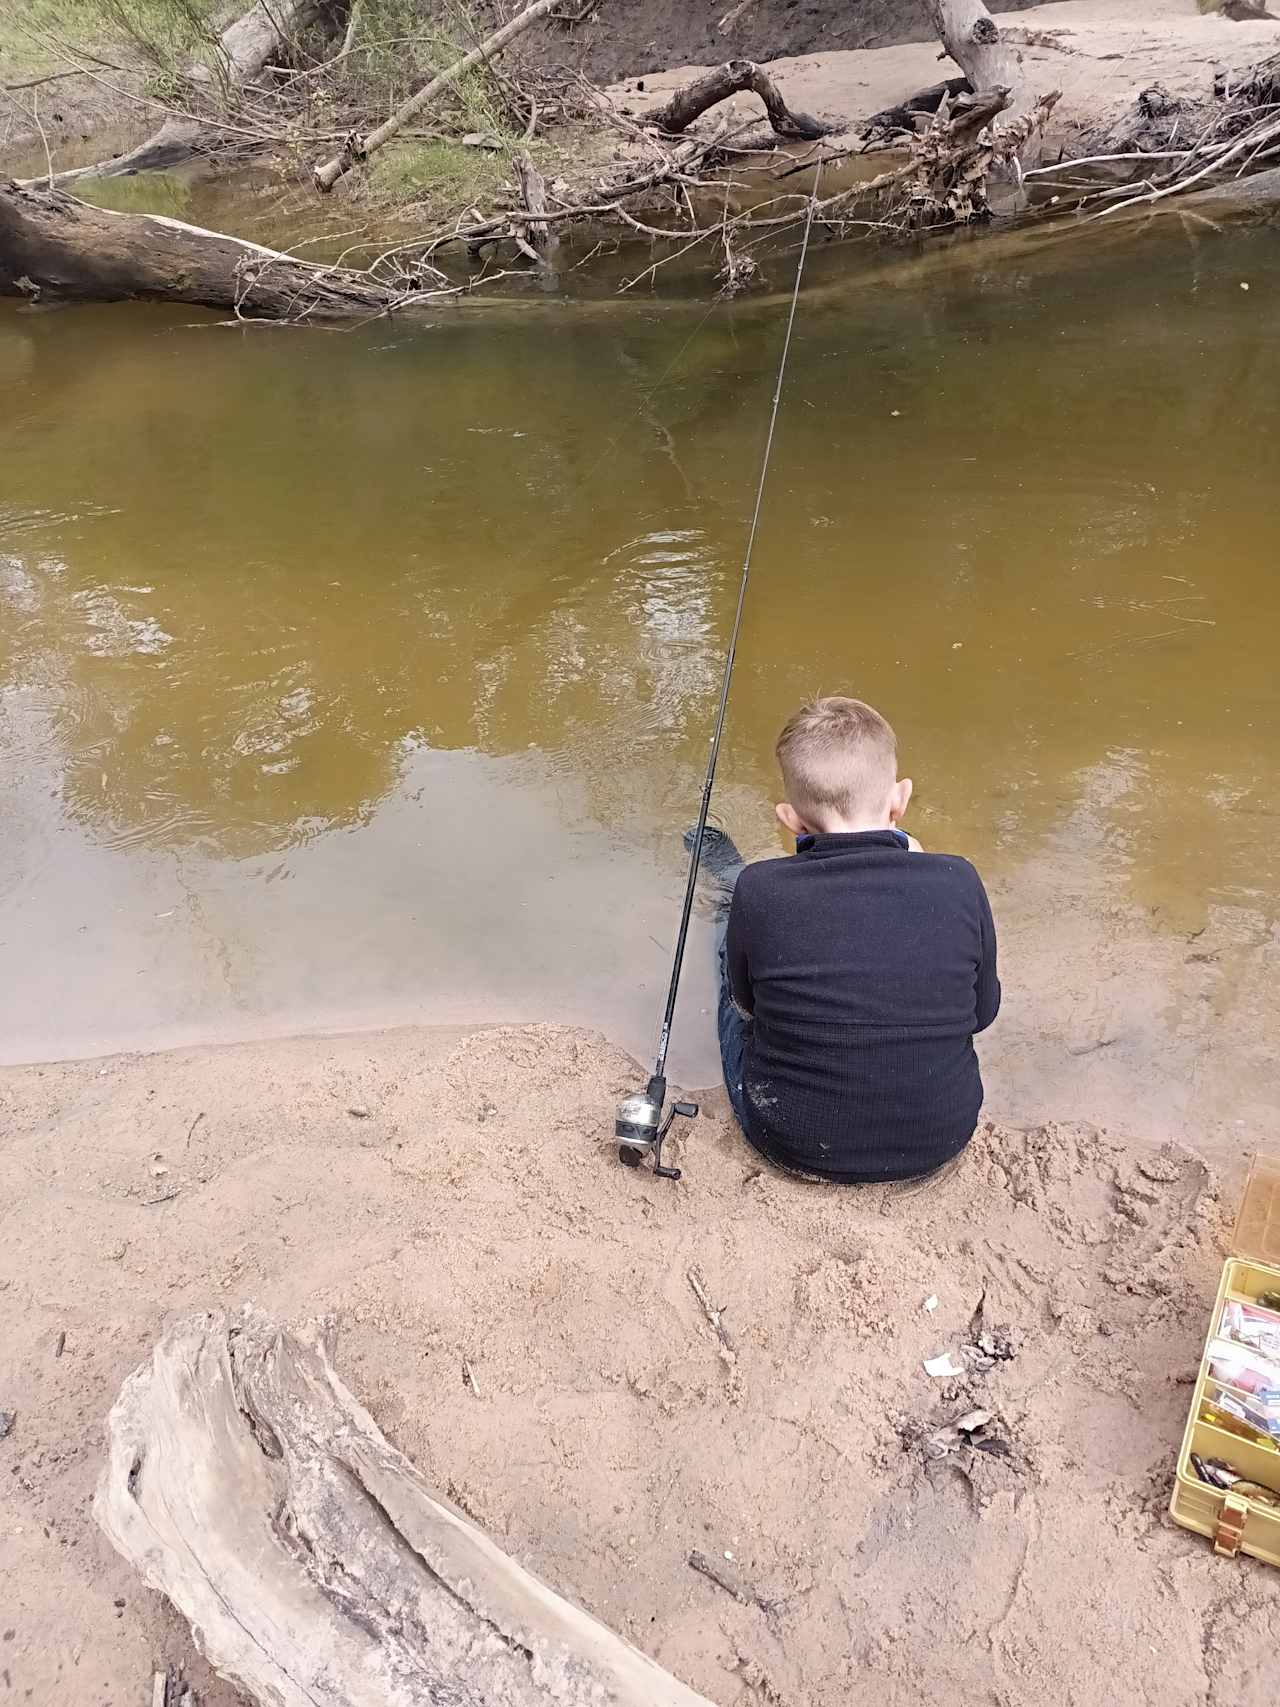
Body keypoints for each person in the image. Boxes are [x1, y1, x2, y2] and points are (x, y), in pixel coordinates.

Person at [695, 695, 999, 1184]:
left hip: (788, 1137)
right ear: (900, 798)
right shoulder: (960, 879)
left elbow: (749, 1008)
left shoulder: (763, 888)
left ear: (790, 820)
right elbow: (982, 1016)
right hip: (940, 1137)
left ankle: (725, 875)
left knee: (731, 959)